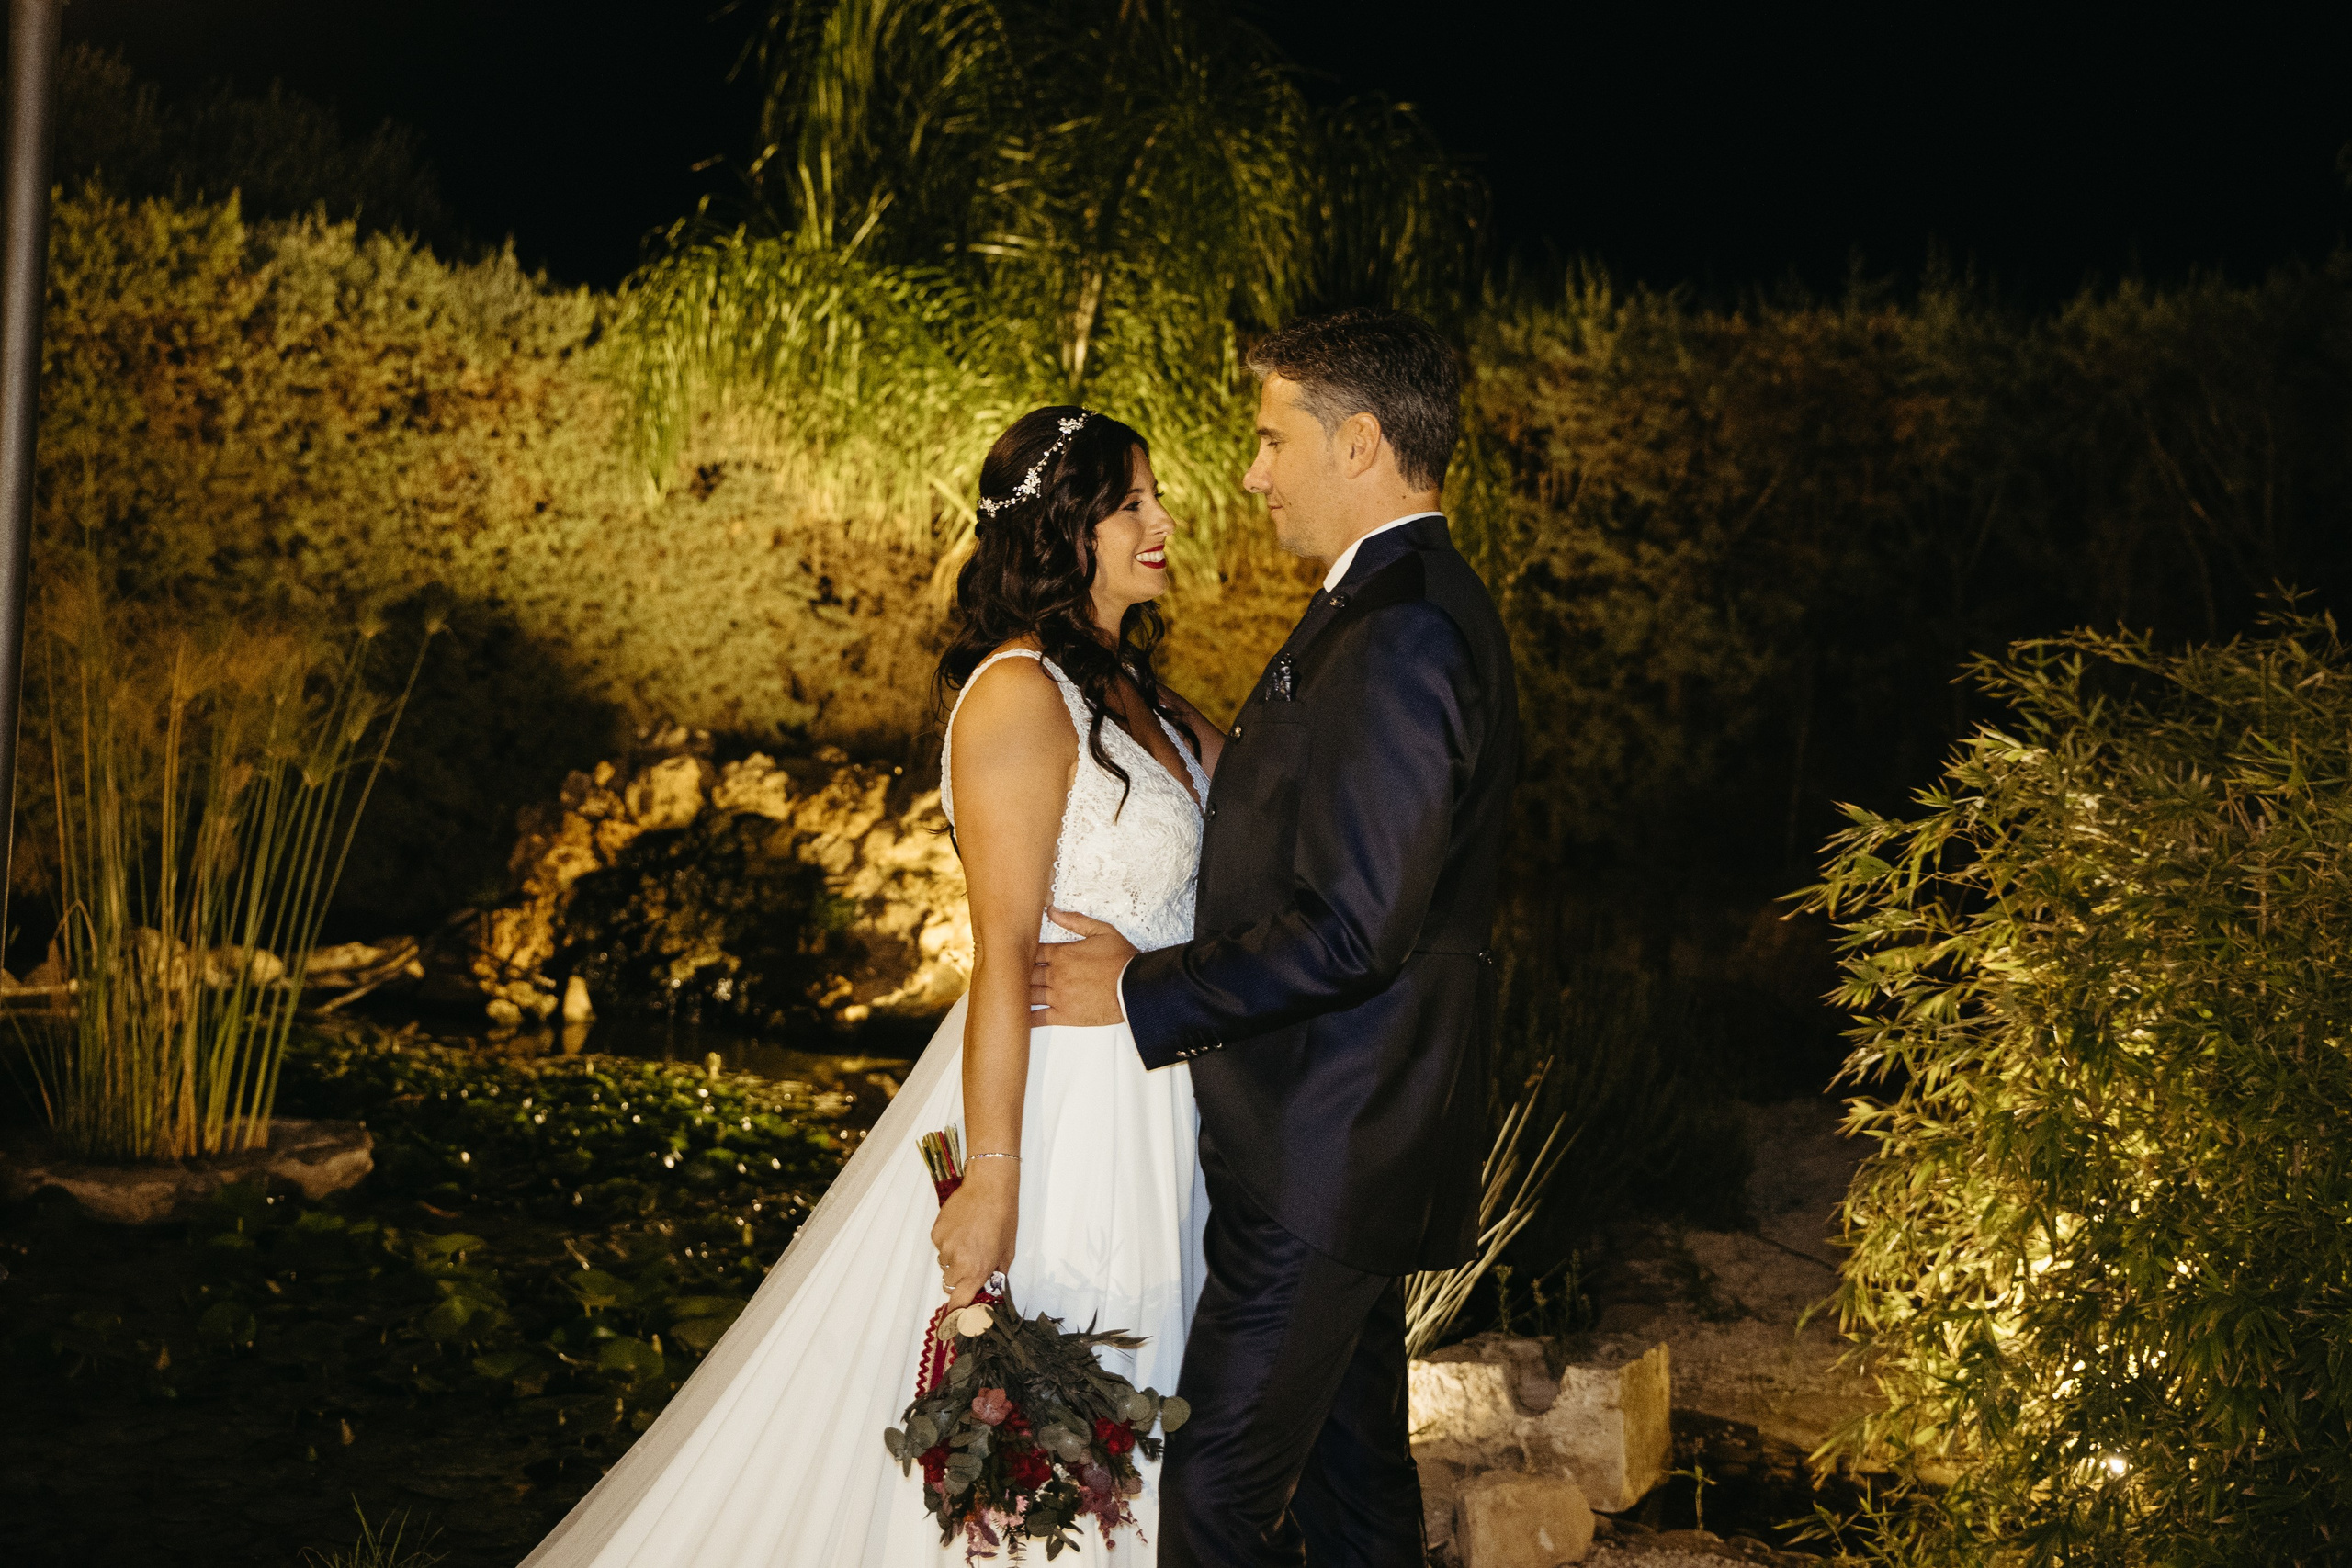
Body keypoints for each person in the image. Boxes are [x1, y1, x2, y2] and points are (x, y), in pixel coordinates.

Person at [520, 405, 1224, 1567]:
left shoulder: (1148, 695)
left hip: (1164, 1092)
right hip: (1065, 1108)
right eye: (1131, 502)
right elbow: (998, 950)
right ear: (1063, 528)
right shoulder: (1016, 694)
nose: (1161, 520)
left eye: (1154, 496)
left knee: (1144, 1422)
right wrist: (991, 1182)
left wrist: (1161, 982)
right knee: (1063, 1424)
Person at [1033, 309, 1520, 1567]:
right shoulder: (1385, 607)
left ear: (1357, 441)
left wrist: (1142, 990)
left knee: (1214, 1490)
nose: (1251, 474)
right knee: (1354, 1488)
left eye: (1269, 438)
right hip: (1334, 1133)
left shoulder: (1404, 628)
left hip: (1332, 1134)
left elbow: (1356, 927)